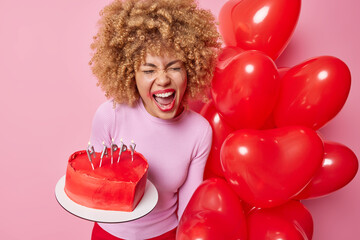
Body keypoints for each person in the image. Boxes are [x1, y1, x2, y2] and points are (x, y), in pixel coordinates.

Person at [88, 0, 221, 239]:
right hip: (109, 233)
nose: (162, 80)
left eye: (174, 67)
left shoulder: (199, 131)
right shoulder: (111, 115)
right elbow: (94, 184)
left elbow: (189, 207)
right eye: (149, 70)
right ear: (130, 74)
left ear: (190, 69)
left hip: (166, 234)